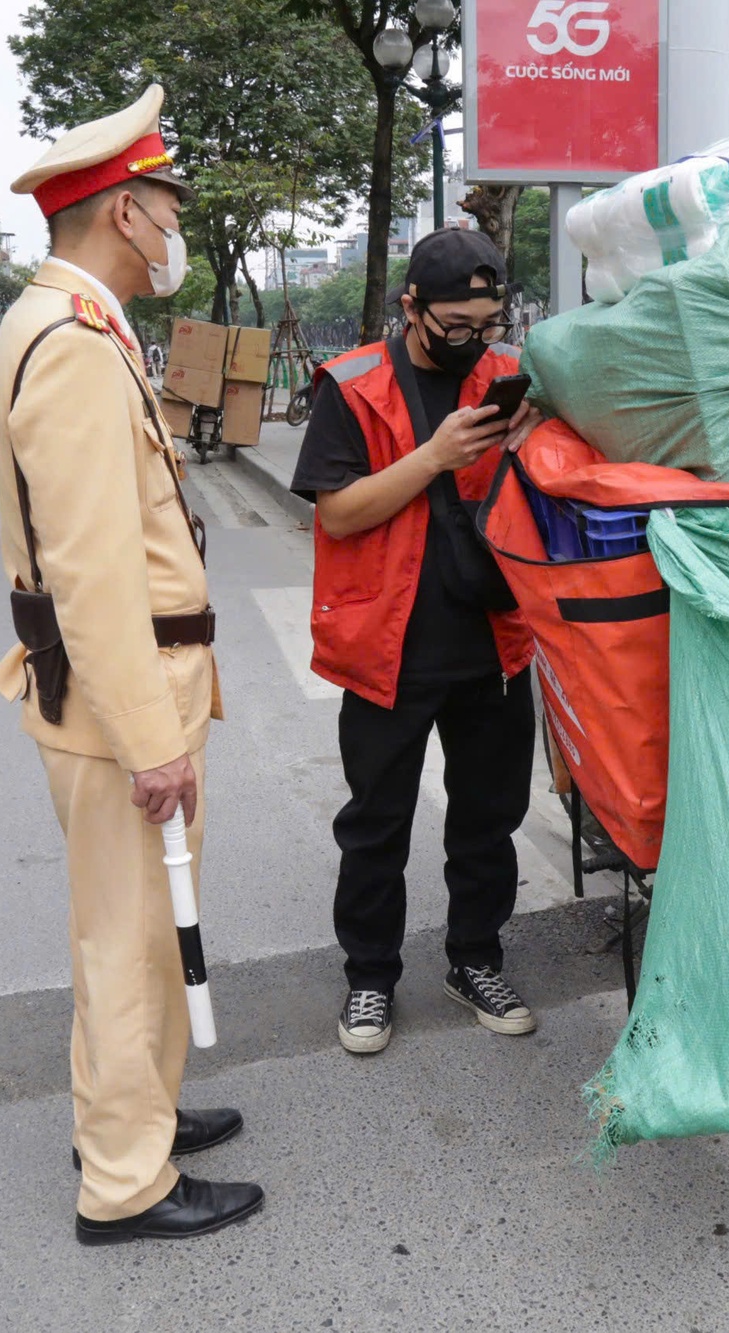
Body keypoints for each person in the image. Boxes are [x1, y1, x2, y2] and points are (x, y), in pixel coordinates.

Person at [0, 83, 262, 1246]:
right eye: (161, 203)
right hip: (122, 704)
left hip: (128, 690)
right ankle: (124, 1180)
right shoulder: (72, 346)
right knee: (127, 935)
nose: (172, 224)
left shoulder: (72, 325)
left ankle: (134, 1110)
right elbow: (93, 570)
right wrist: (153, 742)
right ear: (118, 213)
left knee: (137, 929)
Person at [290, 228, 541, 1057]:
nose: (475, 341)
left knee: (487, 820)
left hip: (493, 642)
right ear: (411, 308)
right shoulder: (353, 385)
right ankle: (370, 976)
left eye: (488, 323)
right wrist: (434, 456)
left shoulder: (507, 378)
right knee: (376, 825)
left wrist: (529, 444)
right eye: (457, 325)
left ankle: (475, 959)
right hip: (387, 645)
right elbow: (339, 511)